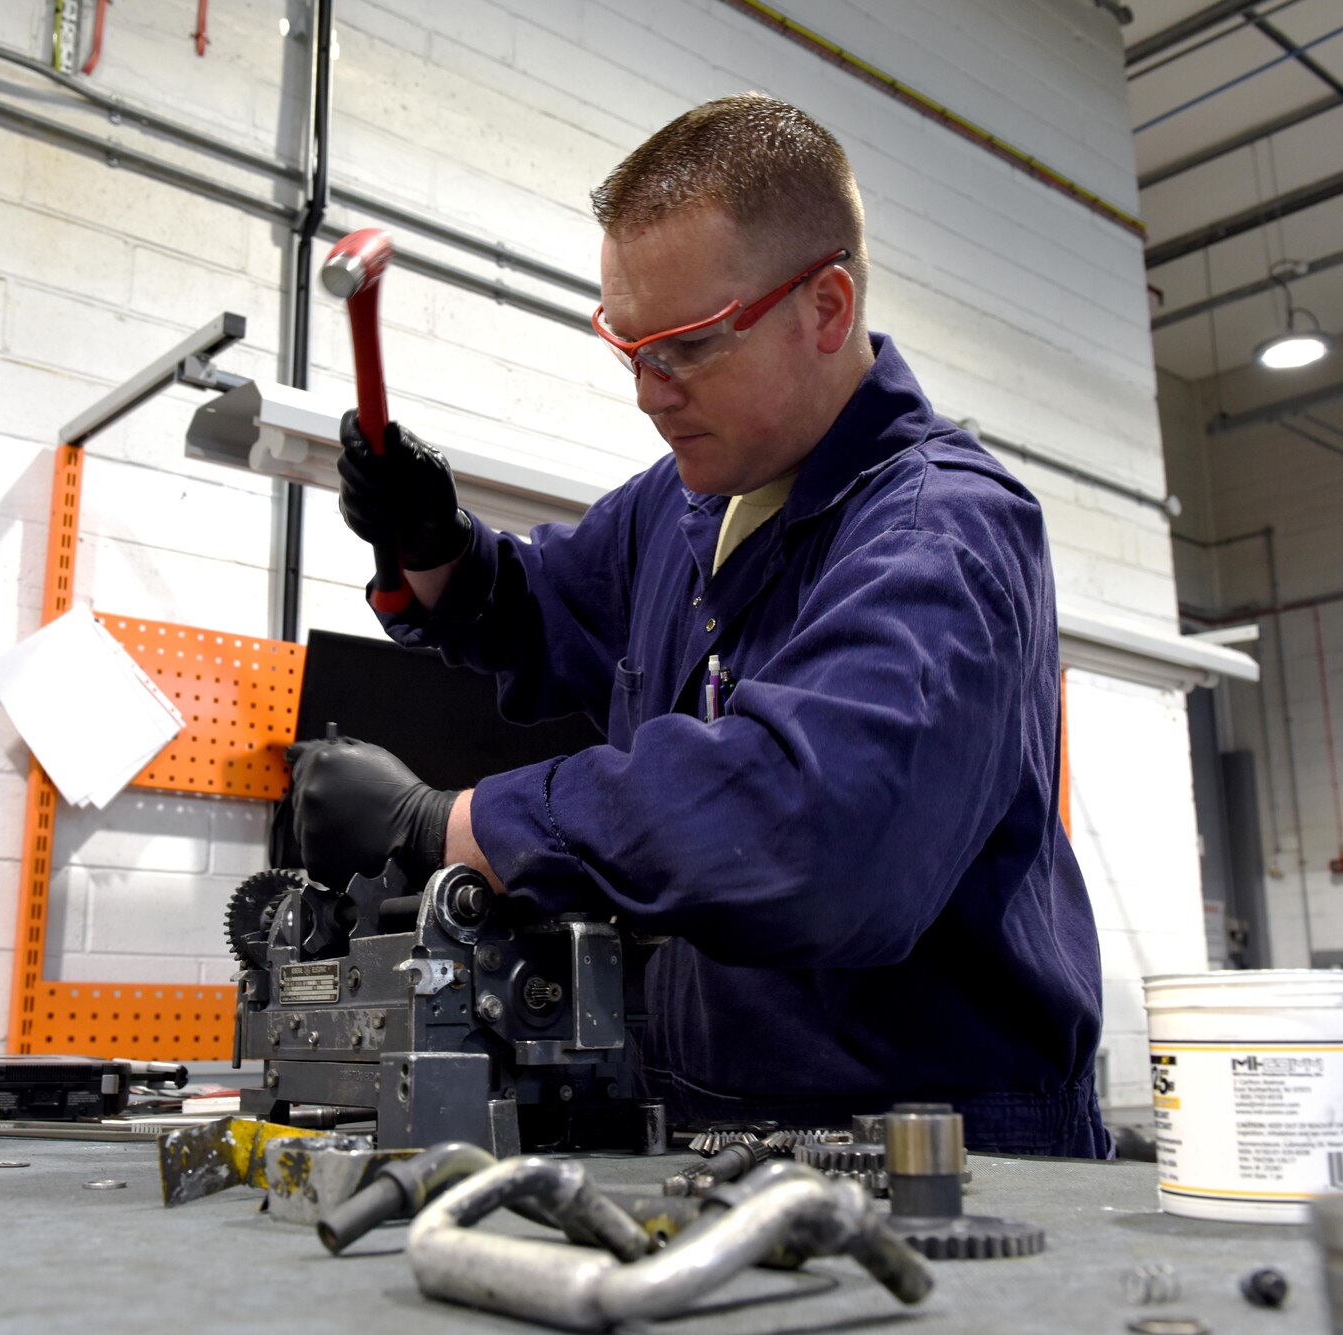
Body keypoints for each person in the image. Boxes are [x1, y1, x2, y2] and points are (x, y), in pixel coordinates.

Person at [285, 93, 1110, 1158]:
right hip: (715, 1127)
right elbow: (540, 616)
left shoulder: (939, 532)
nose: (645, 391)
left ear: (824, 306)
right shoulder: (683, 507)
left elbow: (807, 828)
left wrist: (445, 824)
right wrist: (435, 544)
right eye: (626, 346)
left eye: (682, 347)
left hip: (943, 1145)